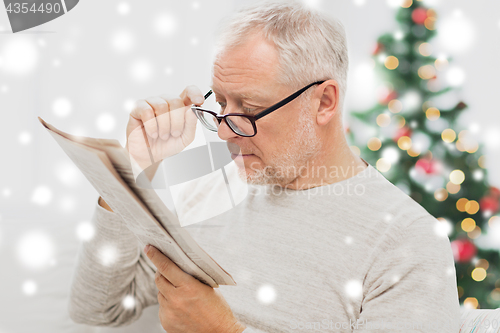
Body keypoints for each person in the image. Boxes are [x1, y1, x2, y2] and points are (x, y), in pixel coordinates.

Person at [68, 1, 461, 332]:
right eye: (221, 104)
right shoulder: (211, 184)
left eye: (251, 109)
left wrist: (226, 331)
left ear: (324, 102)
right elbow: (98, 309)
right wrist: (128, 175)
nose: (223, 133)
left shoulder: (408, 241)